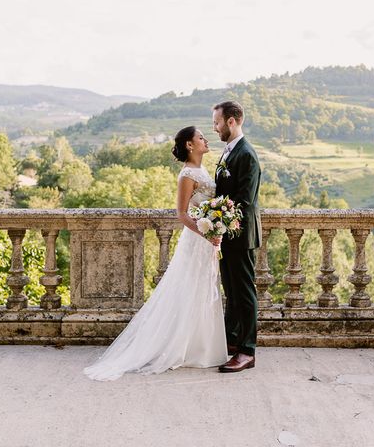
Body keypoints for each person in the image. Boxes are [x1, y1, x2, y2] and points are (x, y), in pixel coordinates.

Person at [83, 126, 228, 381]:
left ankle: (203, 347)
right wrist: (206, 232)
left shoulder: (204, 169)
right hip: (196, 240)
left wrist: (216, 224)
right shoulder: (187, 174)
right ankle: (185, 348)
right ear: (189, 145)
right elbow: (182, 214)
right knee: (190, 290)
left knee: (205, 290)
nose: (206, 140)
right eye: (201, 137)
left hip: (206, 240)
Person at [212, 101, 262, 373]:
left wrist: (217, 217)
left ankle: (247, 351)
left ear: (231, 121)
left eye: (217, 122)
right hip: (227, 234)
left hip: (241, 235)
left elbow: (244, 201)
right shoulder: (228, 152)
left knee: (244, 293)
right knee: (231, 291)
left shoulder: (247, 155)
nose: (214, 127)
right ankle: (232, 342)